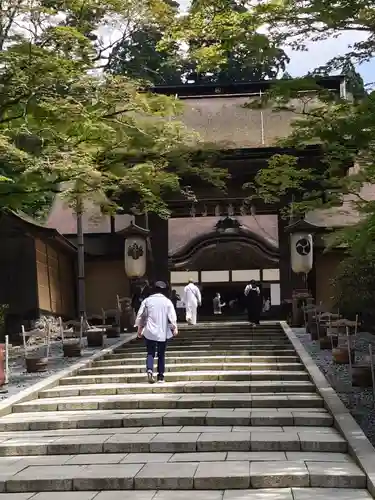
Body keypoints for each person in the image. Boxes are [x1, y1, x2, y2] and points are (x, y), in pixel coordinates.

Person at [135, 280, 178, 384]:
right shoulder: (167, 301)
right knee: (161, 354)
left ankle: (150, 369)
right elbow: (171, 316)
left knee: (150, 352)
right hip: (163, 331)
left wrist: (140, 329)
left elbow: (142, 316)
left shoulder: (147, 301)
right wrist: (174, 327)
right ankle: (161, 377)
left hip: (149, 331)